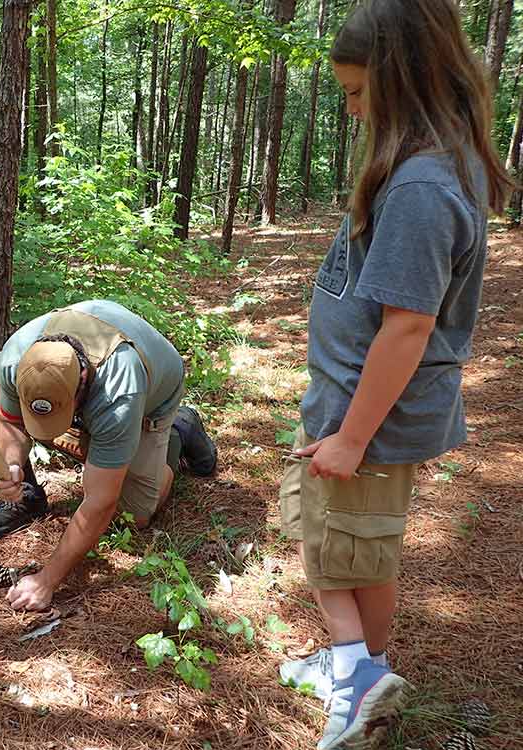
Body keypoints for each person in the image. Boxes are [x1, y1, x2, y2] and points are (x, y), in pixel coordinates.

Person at [274, 2, 515, 748]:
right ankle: (360, 667)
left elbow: (408, 325)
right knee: (348, 544)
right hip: (355, 403)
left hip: (368, 413)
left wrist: (351, 436)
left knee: (339, 551)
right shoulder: (433, 161)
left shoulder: (420, 185)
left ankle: (361, 676)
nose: (350, 109)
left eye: (355, 92)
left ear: (403, 80)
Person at [0, 299, 217, 612]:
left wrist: (47, 580)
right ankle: (30, 493)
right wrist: (14, 463)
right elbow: (11, 423)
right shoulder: (15, 358)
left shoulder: (119, 392)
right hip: (92, 387)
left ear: (83, 383)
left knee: (135, 514)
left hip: (155, 391)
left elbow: (101, 503)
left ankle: (181, 429)